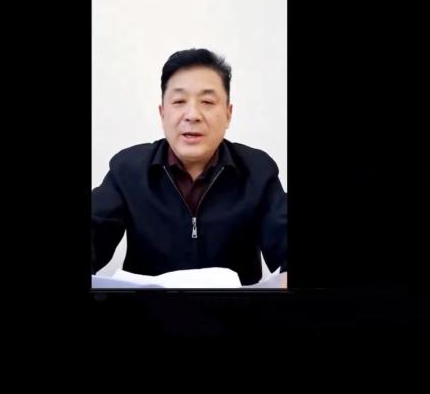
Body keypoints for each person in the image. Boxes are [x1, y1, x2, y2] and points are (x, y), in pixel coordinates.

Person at [91, 48, 287, 286]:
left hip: (233, 310)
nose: (192, 115)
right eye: (179, 101)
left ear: (228, 114)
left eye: (207, 102)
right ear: (162, 113)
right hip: (147, 309)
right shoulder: (128, 170)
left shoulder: (258, 171)